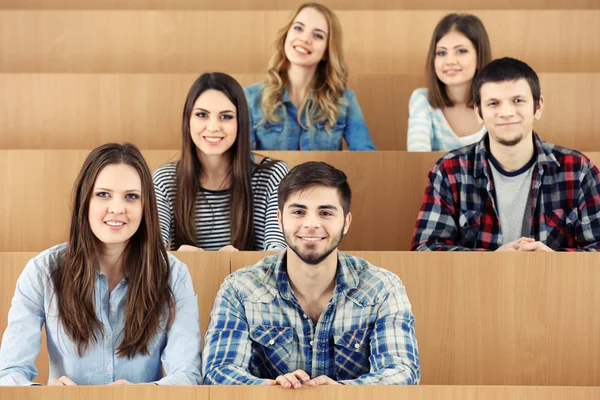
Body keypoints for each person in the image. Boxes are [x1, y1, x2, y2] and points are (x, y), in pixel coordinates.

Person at [0, 143, 202, 386]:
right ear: (84, 200)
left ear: (145, 206)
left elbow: (188, 374)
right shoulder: (42, 271)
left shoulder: (174, 274)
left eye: (131, 196)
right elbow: (9, 373)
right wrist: (46, 392)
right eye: (103, 194)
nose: (117, 208)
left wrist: (140, 393)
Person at [203, 161, 419, 386]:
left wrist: (341, 392)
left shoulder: (382, 287)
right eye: (298, 212)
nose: (312, 224)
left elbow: (402, 372)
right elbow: (219, 371)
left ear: (346, 222)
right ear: (279, 219)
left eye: (325, 212)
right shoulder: (240, 288)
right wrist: (271, 389)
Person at [411, 57, 600, 251]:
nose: (507, 112)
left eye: (518, 101)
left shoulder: (579, 169)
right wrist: (493, 259)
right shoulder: (448, 171)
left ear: (538, 106)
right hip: (477, 282)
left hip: (556, 281)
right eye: (493, 103)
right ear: (478, 112)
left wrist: (553, 261)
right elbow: (425, 249)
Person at [153, 72, 288, 251]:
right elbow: (152, 252)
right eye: (202, 115)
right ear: (188, 120)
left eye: (226, 117)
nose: (213, 127)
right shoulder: (165, 180)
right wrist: (181, 260)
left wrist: (237, 263)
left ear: (241, 122)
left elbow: (277, 252)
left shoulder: (272, 175)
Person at [244, 3, 375, 151]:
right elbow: (242, 162)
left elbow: (365, 153)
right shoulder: (250, 97)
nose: (305, 39)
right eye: (298, 28)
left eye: (318, 35)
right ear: (286, 34)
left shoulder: (344, 99)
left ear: (327, 51)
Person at [407, 13, 491, 151]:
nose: (450, 61)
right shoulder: (422, 99)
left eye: (461, 51)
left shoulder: (496, 102)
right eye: (441, 53)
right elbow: (417, 158)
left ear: (479, 56)